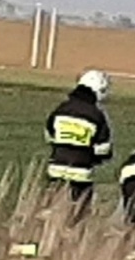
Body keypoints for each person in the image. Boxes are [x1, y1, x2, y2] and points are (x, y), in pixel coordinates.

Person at [45, 69, 114, 223]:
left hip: (55, 167)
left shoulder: (61, 109)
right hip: (81, 171)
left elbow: (49, 134)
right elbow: (103, 149)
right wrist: (94, 158)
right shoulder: (96, 115)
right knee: (80, 214)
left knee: (51, 208)